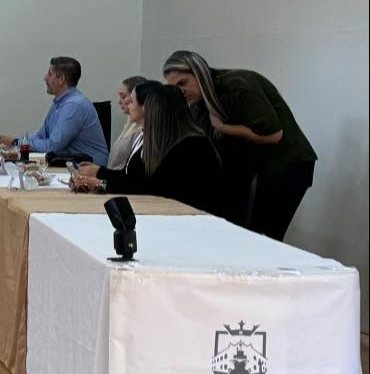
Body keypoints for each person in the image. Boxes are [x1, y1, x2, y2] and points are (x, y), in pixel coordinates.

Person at [162, 50, 317, 240]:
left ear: (199, 74)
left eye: (183, 83)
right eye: (174, 88)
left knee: (263, 235)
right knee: (239, 229)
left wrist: (224, 128)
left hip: (286, 164)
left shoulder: (238, 87)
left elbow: (274, 135)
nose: (181, 92)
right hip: (255, 167)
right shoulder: (199, 101)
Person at [73, 82, 223, 215]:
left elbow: (151, 187)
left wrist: (99, 182)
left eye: (132, 101)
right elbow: (136, 179)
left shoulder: (193, 146)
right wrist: (98, 176)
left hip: (193, 219)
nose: (128, 105)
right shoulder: (161, 142)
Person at [0, 56, 108, 165]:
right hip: (69, 164)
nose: (45, 78)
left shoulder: (74, 106)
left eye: (50, 74)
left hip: (90, 169)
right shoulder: (59, 103)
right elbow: (41, 136)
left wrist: (16, 142)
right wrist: (16, 141)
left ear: (61, 79)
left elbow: (52, 146)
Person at [106, 75, 147, 170]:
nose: (119, 102)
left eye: (124, 97)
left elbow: (129, 168)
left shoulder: (141, 130)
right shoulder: (129, 125)